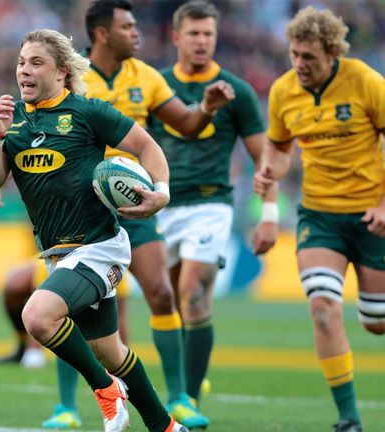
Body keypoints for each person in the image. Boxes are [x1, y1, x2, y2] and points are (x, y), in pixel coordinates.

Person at [0, 1, 235, 428]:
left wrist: (161, 192)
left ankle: (104, 390)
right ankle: (166, 424)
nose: (24, 71)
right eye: (21, 62)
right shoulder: (14, 122)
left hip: (100, 246)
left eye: (36, 63)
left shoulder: (87, 111)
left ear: (61, 71)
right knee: (111, 352)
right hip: (60, 254)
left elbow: (148, 147)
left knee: (38, 316)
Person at [253, 7, 385, 432]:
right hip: (319, 214)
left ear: (332, 52)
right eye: (294, 54)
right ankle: (348, 418)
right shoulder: (283, 91)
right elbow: (277, 150)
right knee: (324, 307)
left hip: (372, 212)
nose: (299, 64)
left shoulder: (364, 80)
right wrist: (270, 208)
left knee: (376, 321)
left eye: (309, 56)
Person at [147, 0, 279, 420]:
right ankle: (186, 378)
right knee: (168, 301)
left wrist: (269, 212)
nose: (202, 41)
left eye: (208, 34)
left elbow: (265, 156)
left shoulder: (235, 90)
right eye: (194, 34)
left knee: (194, 292)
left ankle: (187, 403)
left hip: (211, 204)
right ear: (176, 36)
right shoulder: (157, 86)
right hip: (162, 205)